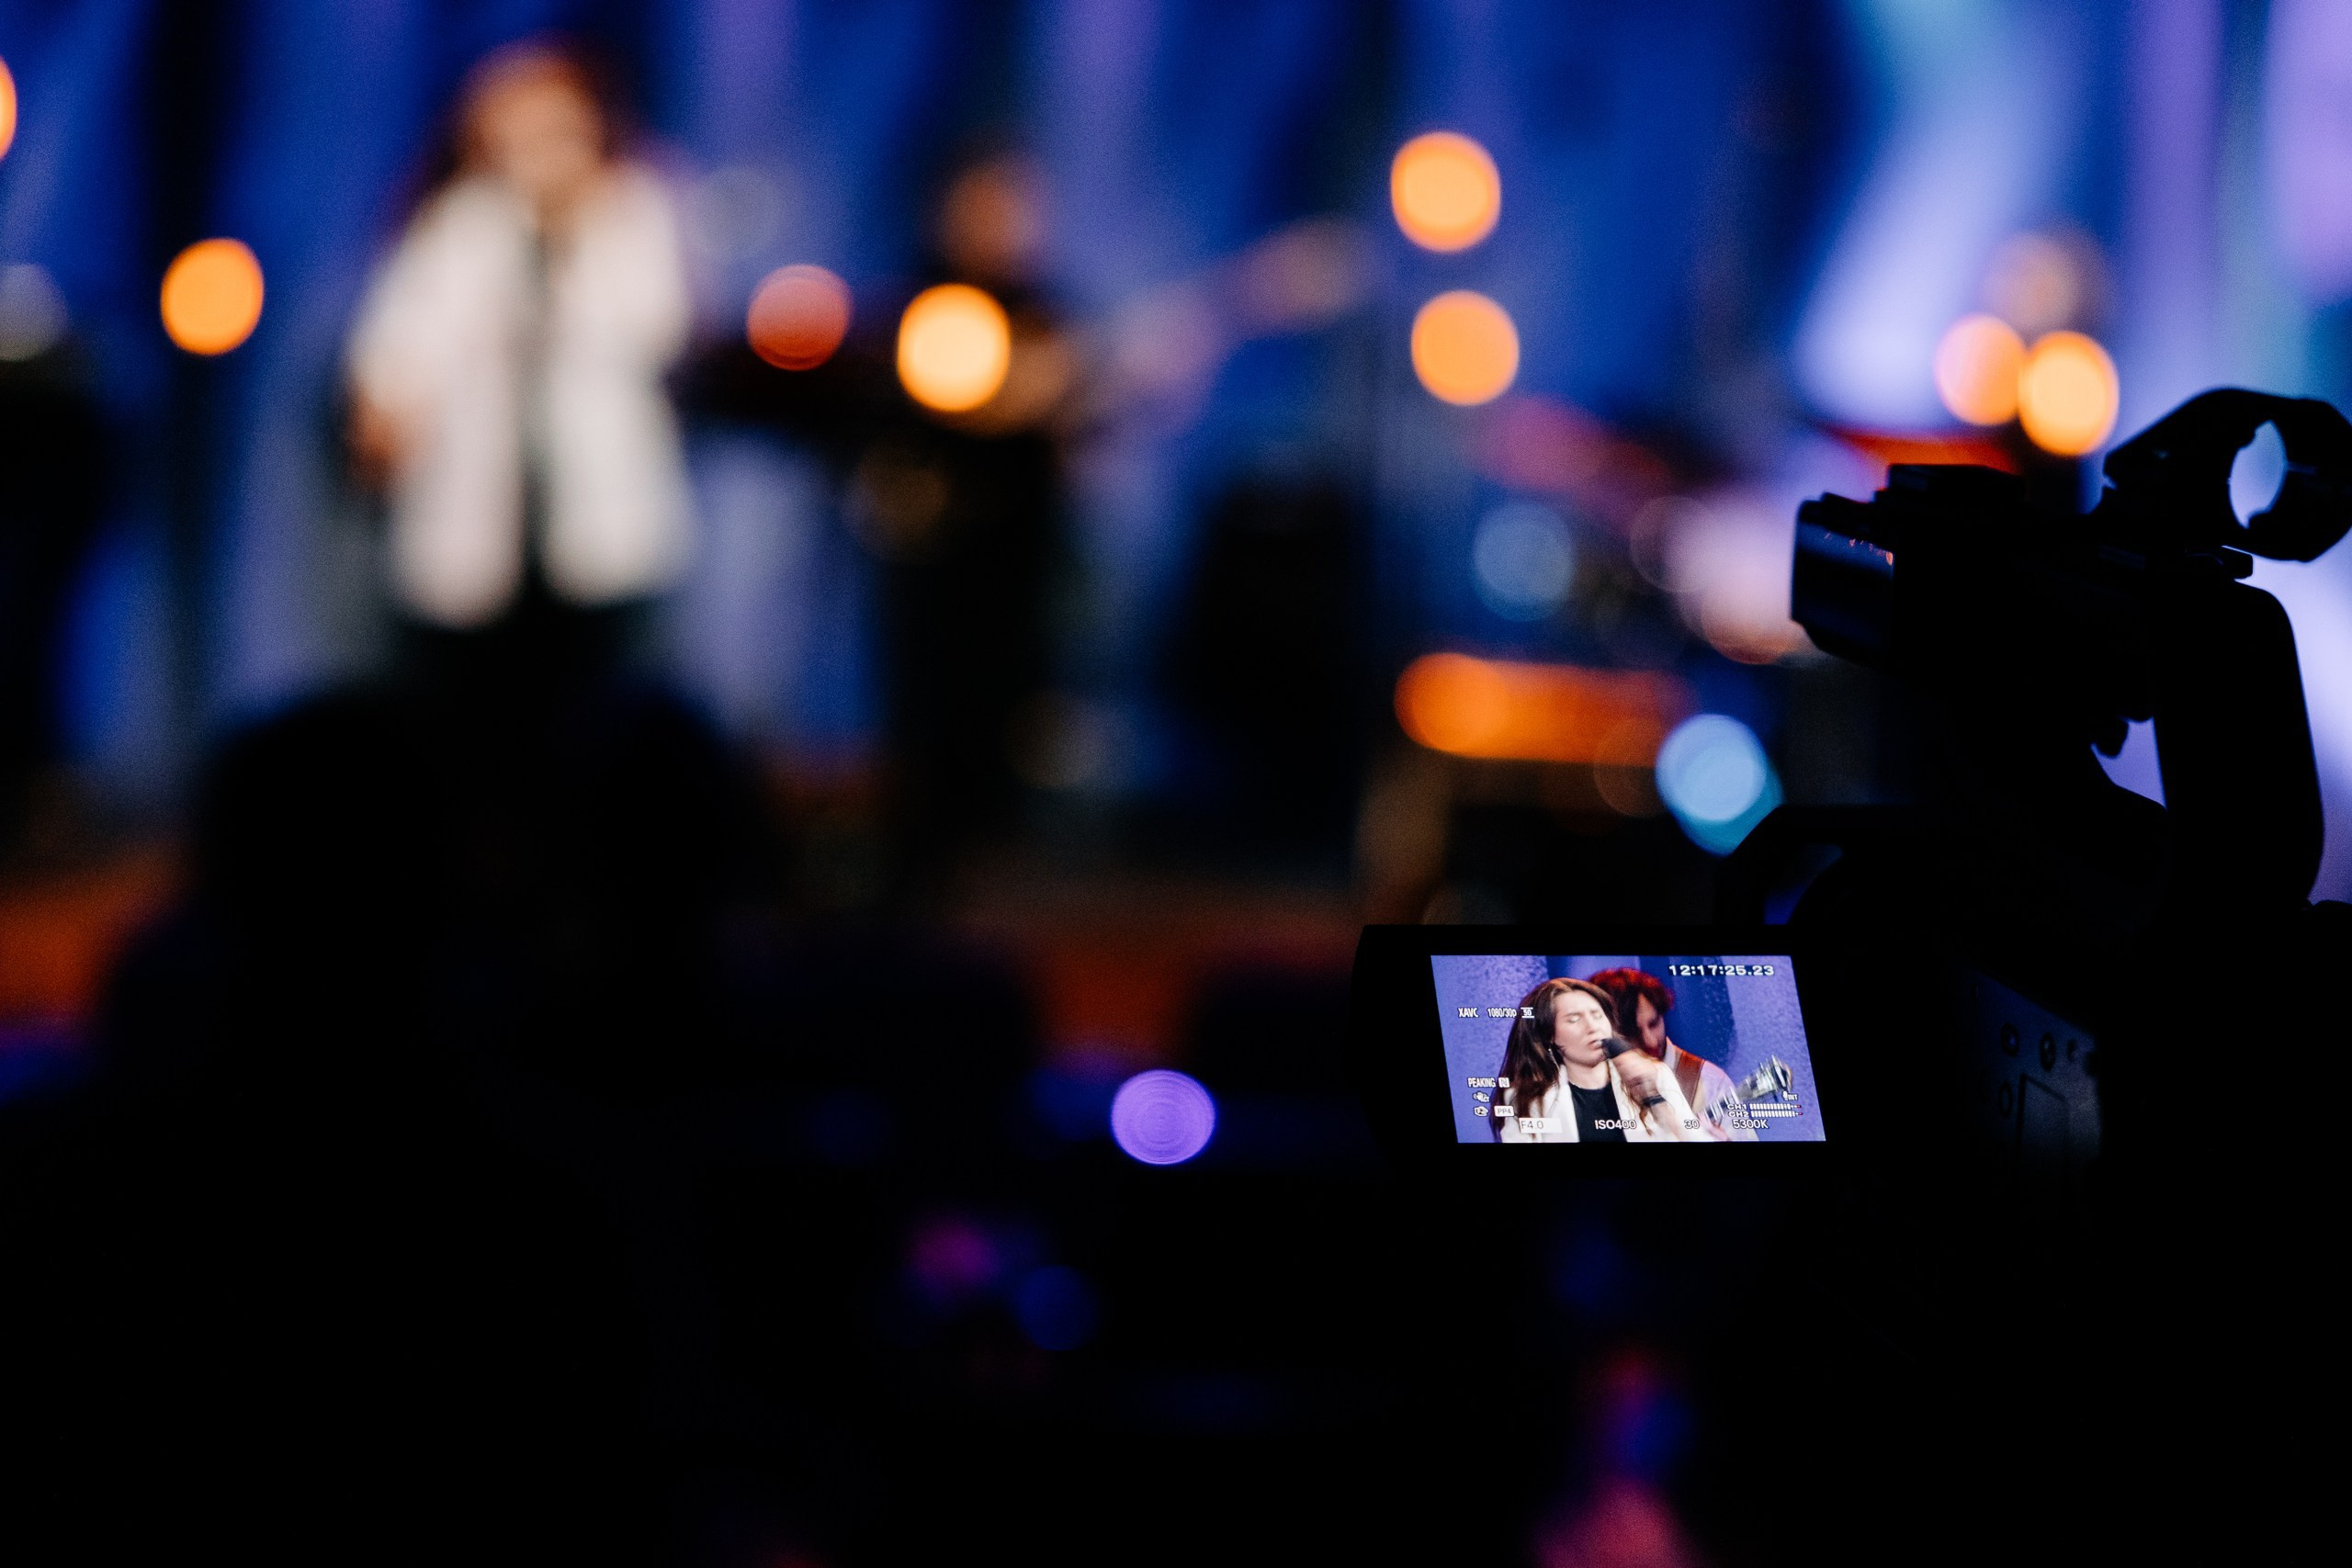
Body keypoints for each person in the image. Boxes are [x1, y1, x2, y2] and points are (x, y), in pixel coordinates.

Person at [346, 40, 692, 690]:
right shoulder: (456, 223)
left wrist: (576, 228)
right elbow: (395, 349)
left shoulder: (635, 211)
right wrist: (384, 415)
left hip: (600, 526)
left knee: (604, 698)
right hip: (475, 523)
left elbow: (660, 332)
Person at [1493, 977, 1703, 1143]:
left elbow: (1692, 1138)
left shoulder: (1656, 1074)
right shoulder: (1526, 1097)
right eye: (1574, 1019)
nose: (1592, 1027)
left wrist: (1654, 1097)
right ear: (1549, 1034)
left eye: (1596, 1015)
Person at [1587, 967, 1756, 1143]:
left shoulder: (1709, 1080)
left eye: (1653, 1023)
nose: (1651, 1042)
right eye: (1634, 1033)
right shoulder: (1585, 1081)